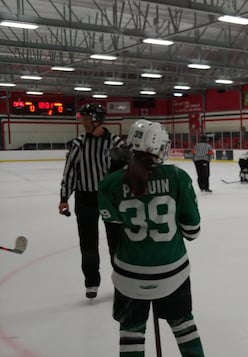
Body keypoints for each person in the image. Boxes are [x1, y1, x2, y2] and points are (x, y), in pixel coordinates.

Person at [98, 119, 205, 356]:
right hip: (172, 273)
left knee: (131, 332)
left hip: (128, 275)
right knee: (184, 326)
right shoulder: (178, 176)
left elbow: (114, 230)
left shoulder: (110, 183)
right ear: (157, 146)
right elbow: (193, 231)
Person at [58, 103, 126, 299]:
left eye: (87, 119)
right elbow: (70, 171)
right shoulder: (78, 143)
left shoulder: (115, 143)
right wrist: (64, 197)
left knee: (117, 243)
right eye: (83, 119)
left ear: (97, 119)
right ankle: (91, 282)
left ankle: (121, 281)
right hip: (85, 199)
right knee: (88, 243)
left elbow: (128, 170)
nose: (84, 122)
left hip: (111, 199)